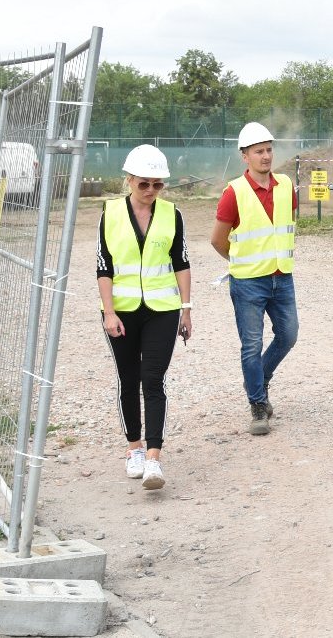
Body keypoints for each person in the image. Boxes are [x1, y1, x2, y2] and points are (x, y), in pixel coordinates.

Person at [97, 144, 192, 490]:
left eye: (158, 184)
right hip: (120, 311)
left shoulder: (172, 214)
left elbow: (181, 263)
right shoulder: (109, 213)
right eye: (144, 184)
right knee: (128, 378)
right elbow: (103, 266)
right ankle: (133, 449)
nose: (151, 191)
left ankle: (154, 458)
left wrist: (186, 309)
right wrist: (109, 312)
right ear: (129, 180)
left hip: (162, 310)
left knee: (153, 380)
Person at [209, 121, 299, 437]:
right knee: (251, 344)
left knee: (288, 335)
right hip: (248, 282)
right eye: (258, 151)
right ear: (245, 156)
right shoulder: (233, 193)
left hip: (281, 277)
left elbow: (286, 224)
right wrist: (242, 261)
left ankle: (258, 378)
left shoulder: (286, 186)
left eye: (268, 150)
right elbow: (218, 240)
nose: (265, 156)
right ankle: (258, 404)